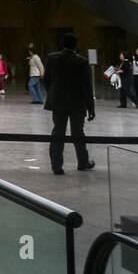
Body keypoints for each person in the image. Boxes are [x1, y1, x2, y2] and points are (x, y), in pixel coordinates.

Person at [42, 33, 96, 174]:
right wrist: (91, 108)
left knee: (58, 132)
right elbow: (87, 87)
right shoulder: (82, 62)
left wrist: (53, 94)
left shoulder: (52, 59)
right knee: (78, 133)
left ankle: (56, 165)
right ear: (76, 45)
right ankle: (83, 162)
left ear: (62, 44)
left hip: (58, 103)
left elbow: (46, 80)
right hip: (77, 104)